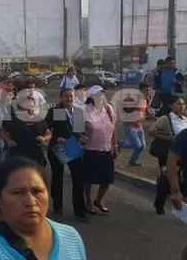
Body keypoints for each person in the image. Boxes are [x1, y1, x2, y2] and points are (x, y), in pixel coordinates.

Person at [46, 88, 87, 221]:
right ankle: (58, 205)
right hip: (58, 147)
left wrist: (82, 138)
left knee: (79, 176)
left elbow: (79, 132)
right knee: (58, 175)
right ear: (61, 97)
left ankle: (79, 211)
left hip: (71, 146)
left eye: (71, 96)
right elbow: (47, 130)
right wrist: (56, 138)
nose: (68, 99)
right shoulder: (56, 111)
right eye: (65, 96)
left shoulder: (78, 112)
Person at [80, 85, 118, 215]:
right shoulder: (83, 110)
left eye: (102, 94)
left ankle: (99, 200)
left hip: (106, 149)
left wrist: (115, 146)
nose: (100, 97)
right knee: (89, 178)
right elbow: (76, 130)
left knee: (108, 177)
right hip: (90, 149)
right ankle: (88, 201)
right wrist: (80, 136)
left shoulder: (108, 109)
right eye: (97, 95)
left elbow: (113, 129)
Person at [149, 95, 187, 214]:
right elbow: (151, 131)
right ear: (171, 106)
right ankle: (159, 204)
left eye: (183, 104)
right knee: (165, 179)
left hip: (183, 156)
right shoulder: (166, 119)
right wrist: (169, 138)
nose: (182, 106)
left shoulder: (184, 119)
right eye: (178, 104)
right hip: (168, 154)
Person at [1, 95, 51, 166]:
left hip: (36, 158)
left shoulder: (39, 120)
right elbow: (2, 131)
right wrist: (8, 140)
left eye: (32, 106)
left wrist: (44, 138)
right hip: (17, 158)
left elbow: (48, 132)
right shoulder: (14, 120)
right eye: (26, 107)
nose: (30, 109)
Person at [119, 83, 151, 166]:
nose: (148, 92)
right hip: (129, 125)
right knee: (137, 145)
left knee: (142, 146)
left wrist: (154, 117)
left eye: (149, 90)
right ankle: (119, 143)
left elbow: (146, 110)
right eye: (146, 90)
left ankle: (133, 161)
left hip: (138, 125)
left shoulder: (145, 99)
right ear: (140, 90)